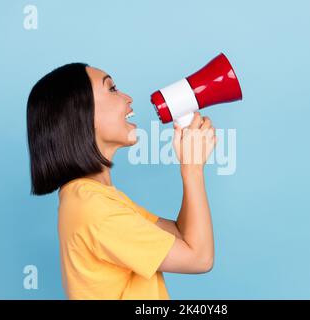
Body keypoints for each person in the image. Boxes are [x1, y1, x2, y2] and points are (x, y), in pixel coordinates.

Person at [26, 63, 216, 299]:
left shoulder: (94, 198)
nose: (128, 98)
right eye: (112, 89)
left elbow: (182, 235)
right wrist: (192, 170)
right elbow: (199, 258)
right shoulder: (95, 210)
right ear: (82, 114)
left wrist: (190, 165)